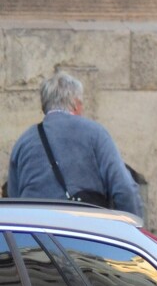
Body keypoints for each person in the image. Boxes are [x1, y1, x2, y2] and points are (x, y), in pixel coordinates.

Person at [7, 71, 141, 215]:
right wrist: (132, 229)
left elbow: (14, 200)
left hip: (35, 232)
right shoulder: (95, 133)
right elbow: (125, 189)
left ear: (44, 106)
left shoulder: (23, 142)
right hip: (81, 231)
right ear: (76, 104)